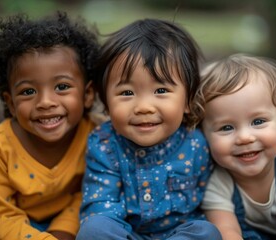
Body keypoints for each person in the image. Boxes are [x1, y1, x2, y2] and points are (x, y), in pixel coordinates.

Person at [76, 18, 222, 240]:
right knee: (94, 229)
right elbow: (99, 205)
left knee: (206, 232)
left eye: (161, 90)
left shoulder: (197, 143)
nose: (144, 107)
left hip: (178, 235)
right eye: (126, 93)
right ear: (106, 104)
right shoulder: (104, 144)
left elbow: (214, 196)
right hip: (126, 234)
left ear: (188, 101)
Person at [0, 11, 100, 240]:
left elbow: (86, 193)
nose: (46, 102)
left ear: (87, 94)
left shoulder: (96, 135)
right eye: (28, 91)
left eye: (62, 87)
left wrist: (61, 232)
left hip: (56, 217)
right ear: (11, 102)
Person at [191, 53, 276, 240]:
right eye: (226, 127)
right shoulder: (217, 182)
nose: (245, 138)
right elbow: (228, 233)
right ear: (203, 136)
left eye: (258, 121)